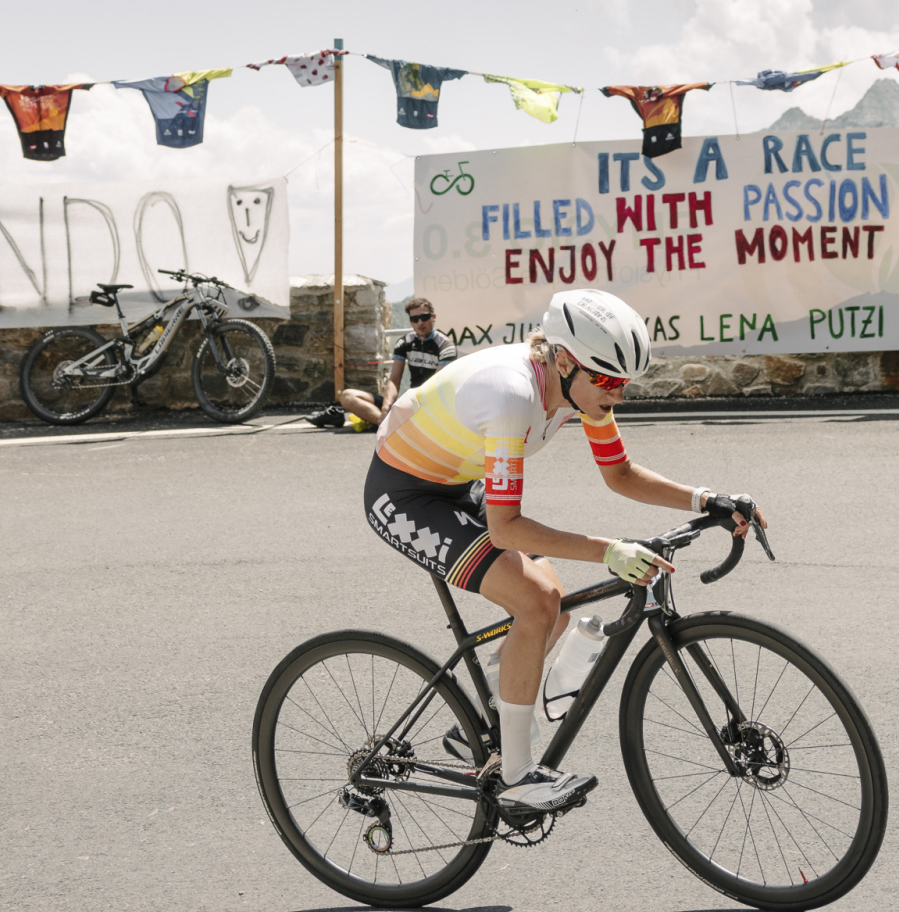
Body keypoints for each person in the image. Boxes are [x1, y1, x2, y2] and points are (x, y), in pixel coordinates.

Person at [361, 288, 767, 816]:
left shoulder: (579, 387)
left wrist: (706, 498)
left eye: (623, 383)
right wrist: (610, 550)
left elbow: (619, 474)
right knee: (534, 601)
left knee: (553, 600)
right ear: (564, 359)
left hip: (456, 478)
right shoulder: (513, 397)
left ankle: (485, 721)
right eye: (607, 380)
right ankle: (515, 777)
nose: (616, 394)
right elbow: (506, 530)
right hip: (405, 490)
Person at [309, 296, 458, 430]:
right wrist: (386, 407)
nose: (420, 322)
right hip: (406, 402)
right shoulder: (405, 342)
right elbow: (394, 380)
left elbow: (434, 387)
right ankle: (389, 424)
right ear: (410, 321)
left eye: (424, 317)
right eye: (414, 319)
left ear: (433, 317)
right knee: (347, 396)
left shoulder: (445, 345)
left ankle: (391, 425)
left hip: (430, 404)